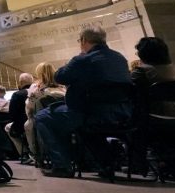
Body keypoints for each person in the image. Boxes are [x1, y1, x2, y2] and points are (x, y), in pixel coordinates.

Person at [34, 27, 131, 177]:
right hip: (122, 114)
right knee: (79, 123)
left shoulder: (82, 60)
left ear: (84, 41)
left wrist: (77, 58)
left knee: (42, 117)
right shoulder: (120, 58)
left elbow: (59, 77)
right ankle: (102, 163)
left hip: (88, 114)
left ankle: (61, 165)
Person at [24, 63, 64, 164]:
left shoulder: (35, 87)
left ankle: (35, 154)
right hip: (62, 118)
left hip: (42, 118)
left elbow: (30, 107)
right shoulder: (62, 87)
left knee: (28, 125)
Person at [4, 72, 34, 158]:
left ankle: (24, 153)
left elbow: (12, 114)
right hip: (38, 121)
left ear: (20, 83)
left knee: (7, 127)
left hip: (23, 124)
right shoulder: (37, 91)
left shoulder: (17, 94)